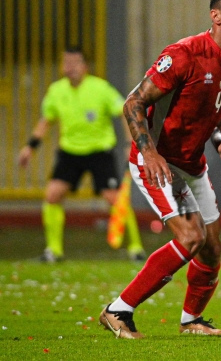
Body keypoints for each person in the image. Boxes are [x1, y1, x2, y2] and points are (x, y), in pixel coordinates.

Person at [98, 0, 221, 339]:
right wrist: (149, 152)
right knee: (190, 238)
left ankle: (191, 320)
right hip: (158, 160)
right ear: (216, 16)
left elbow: (220, 115)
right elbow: (133, 103)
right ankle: (118, 310)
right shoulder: (183, 54)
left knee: (212, 249)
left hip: (192, 162)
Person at [18, 48, 145, 263]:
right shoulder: (56, 91)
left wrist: (128, 143)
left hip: (99, 152)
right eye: (66, 62)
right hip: (70, 153)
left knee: (114, 199)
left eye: (75, 62)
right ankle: (54, 251)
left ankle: (136, 248)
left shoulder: (100, 88)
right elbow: (45, 121)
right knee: (52, 195)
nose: (70, 67)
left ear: (85, 66)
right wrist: (29, 147)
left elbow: (124, 112)